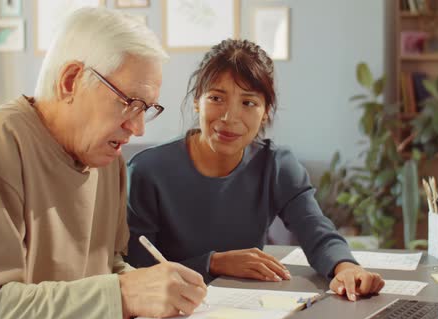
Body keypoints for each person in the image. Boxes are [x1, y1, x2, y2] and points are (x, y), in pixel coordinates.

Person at [0, 8, 206, 319]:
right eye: (129, 102)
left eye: (146, 109)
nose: (138, 128)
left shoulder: (107, 160)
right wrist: (123, 295)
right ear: (70, 81)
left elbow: (106, 267)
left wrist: (149, 287)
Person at [125, 39, 384, 301]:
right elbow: (136, 271)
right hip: (168, 313)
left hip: (248, 310)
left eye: (248, 103)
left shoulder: (277, 166)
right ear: (196, 101)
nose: (229, 117)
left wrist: (347, 268)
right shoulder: (148, 171)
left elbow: (317, 231)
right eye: (216, 98)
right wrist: (212, 263)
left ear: (265, 111)